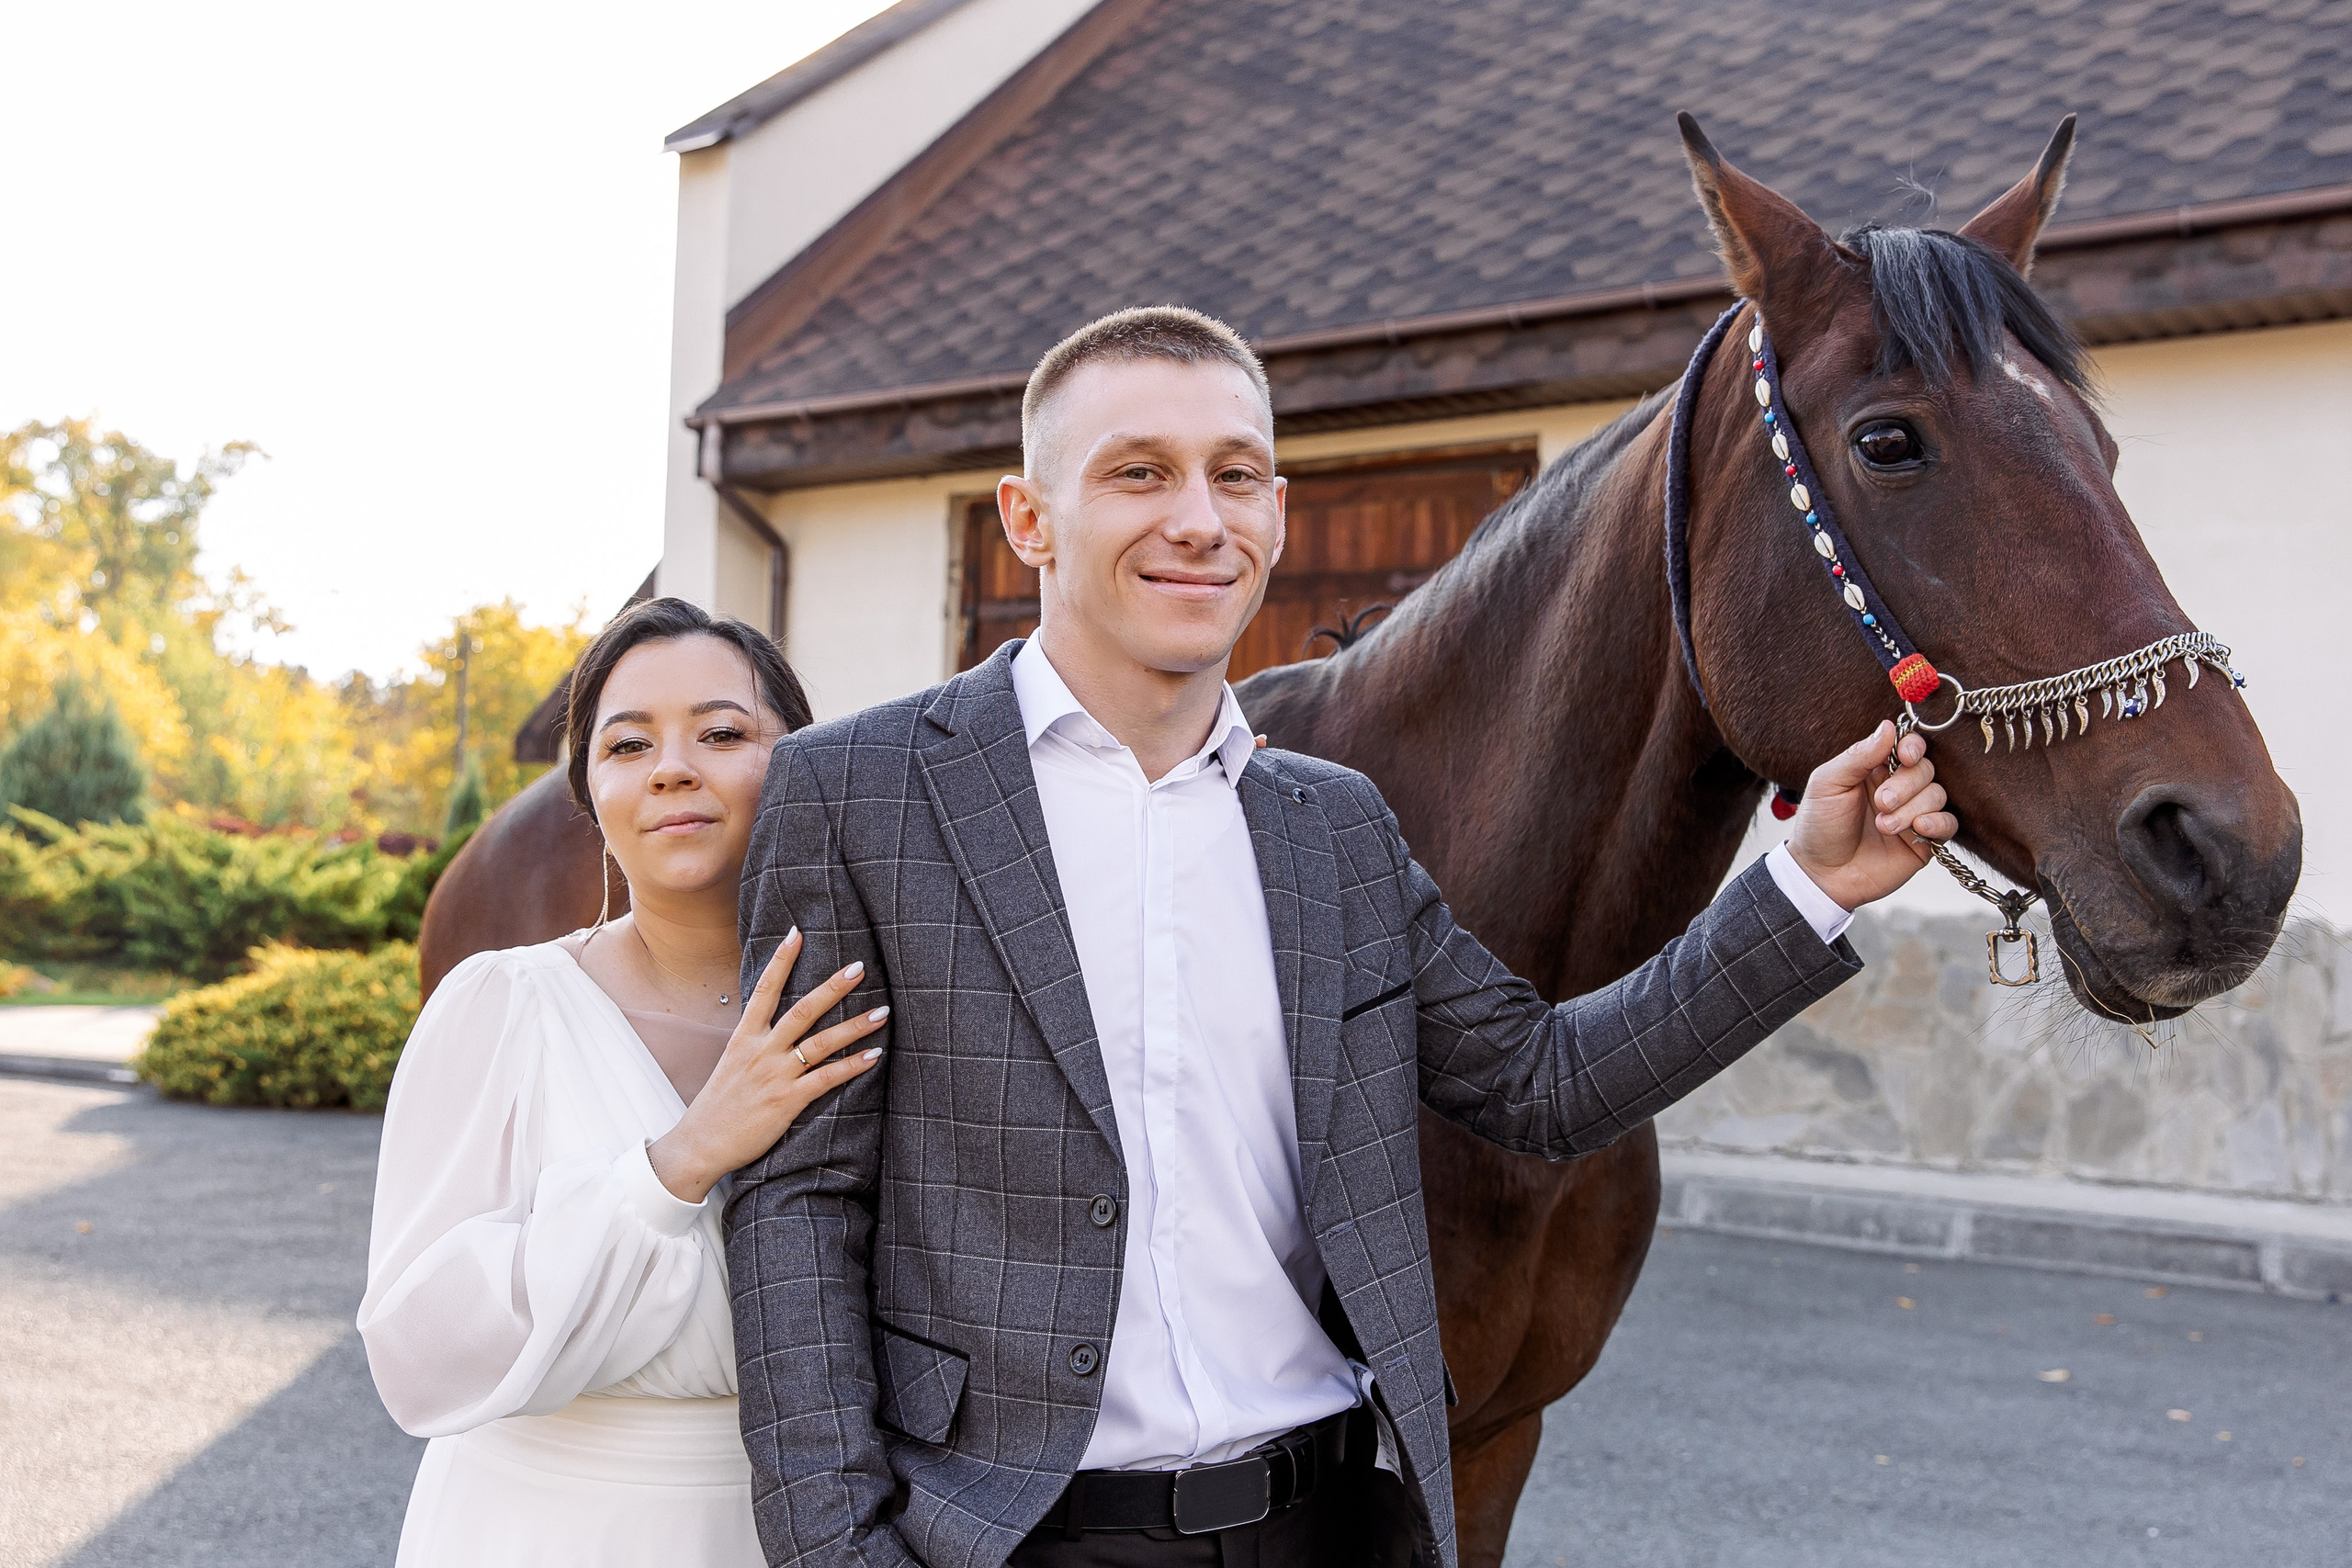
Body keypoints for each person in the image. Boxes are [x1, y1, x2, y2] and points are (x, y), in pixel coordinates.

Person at [728, 308, 1957, 1568]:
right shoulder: (856, 794)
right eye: (1138, 472)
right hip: (1015, 1537)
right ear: (1028, 518)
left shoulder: (1334, 825)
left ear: (1274, 515)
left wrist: (1810, 885)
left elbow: (1542, 1083)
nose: (1198, 518)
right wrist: (838, 1554)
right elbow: (799, 1203)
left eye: (1235, 475)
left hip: (1324, 1524)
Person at [359, 599, 890, 1567]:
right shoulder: (502, 1007)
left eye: (721, 733)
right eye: (628, 744)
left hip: (807, 1530)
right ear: (592, 794)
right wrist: (677, 1161)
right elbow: (416, 1351)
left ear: (801, 764)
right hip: (537, 1530)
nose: (671, 768)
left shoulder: (872, 1017)